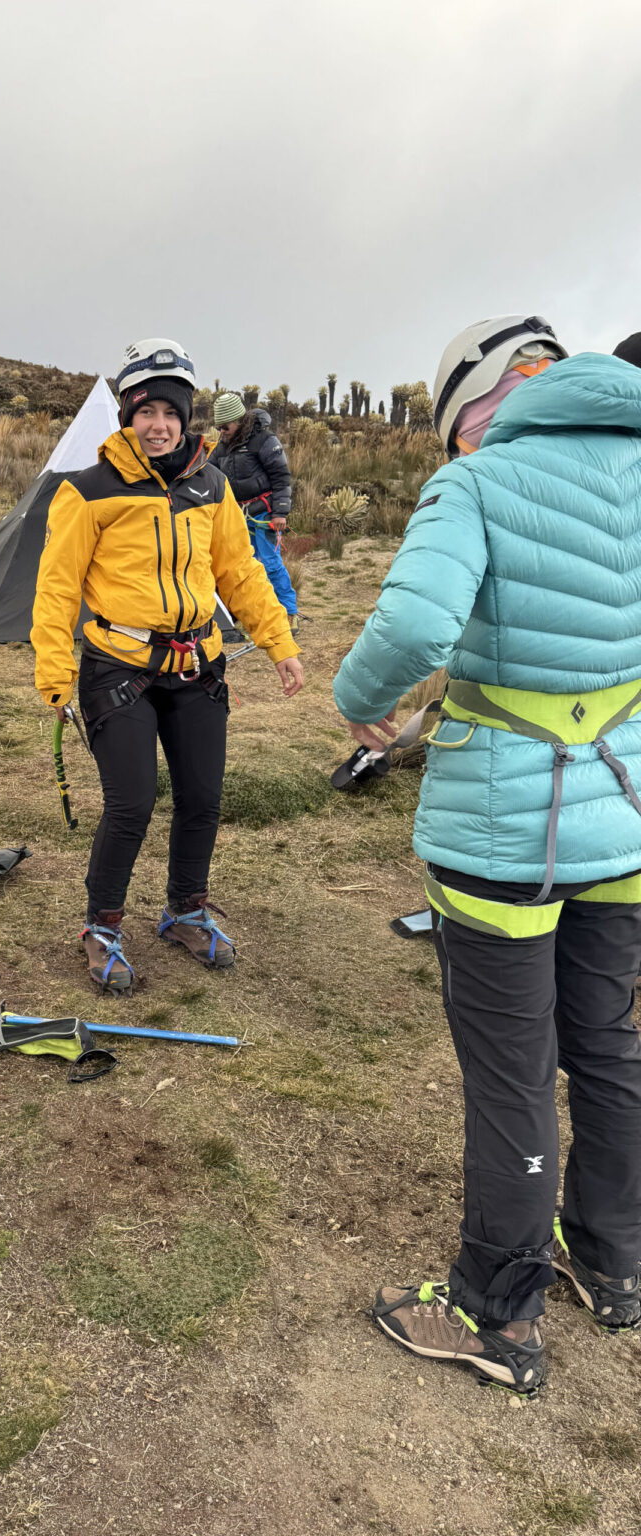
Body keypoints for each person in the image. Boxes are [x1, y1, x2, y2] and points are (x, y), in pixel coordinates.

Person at [333, 314, 641, 1396]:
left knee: (513, 1069)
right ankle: (612, 1259)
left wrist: (359, 703)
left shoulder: (474, 484)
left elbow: (414, 630)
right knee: (606, 1042)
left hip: (507, 831)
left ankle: (497, 1311)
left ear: (476, 405)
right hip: (625, 819)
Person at [31, 338, 303, 992]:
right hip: (117, 669)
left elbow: (240, 573)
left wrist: (279, 643)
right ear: (128, 415)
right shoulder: (87, 491)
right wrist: (53, 675)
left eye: (171, 413)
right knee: (131, 805)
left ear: (186, 417)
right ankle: (101, 928)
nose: (158, 426)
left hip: (198, 667)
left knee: (202, 800)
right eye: (146, 412)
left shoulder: (212, 486)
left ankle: (185, 912)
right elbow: (56, 589)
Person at [209, 391, 298, 630]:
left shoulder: (265, 441)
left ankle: (289, 613)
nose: (221, 431)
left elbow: (281, 477)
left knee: (270, 563)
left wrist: (280, 513)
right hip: (239, 515)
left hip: (266, 513)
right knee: (243, 566)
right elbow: (209, 472)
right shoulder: (223, 446)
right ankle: (252, 613)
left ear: (238, 421)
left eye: (225, 427)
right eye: (218, 427)